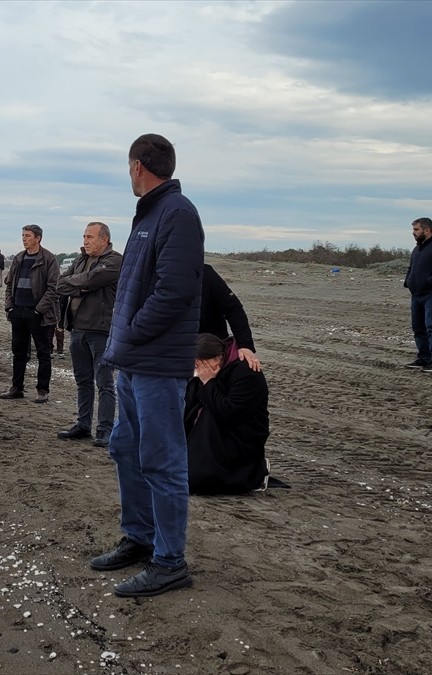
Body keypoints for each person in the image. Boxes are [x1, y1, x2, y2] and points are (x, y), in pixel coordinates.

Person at [93, 133, 202, 598]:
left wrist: (133, 330)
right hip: (133, 362)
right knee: (125, 449)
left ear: (139, 165)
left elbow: (174, 291)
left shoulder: (178, 213)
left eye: (128, 166)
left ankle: (170, 560)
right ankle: (139, 537)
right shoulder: (148, 215)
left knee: (162, 462)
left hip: (157, 362)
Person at [56, 223, 122, 448]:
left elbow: (90, 280)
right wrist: (82, 285)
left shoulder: (114, 260)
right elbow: (60, 283)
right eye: (84, 236)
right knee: (82, 380)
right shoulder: (80, 259)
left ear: (104, 239)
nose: (85, 241)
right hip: (77, 329)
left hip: (101, 331)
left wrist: (81, 283)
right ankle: (83, 425)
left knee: (104, 382)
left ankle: (105, 430)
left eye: (90, 237)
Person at [185, 334, 269, 494]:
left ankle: (253, 473)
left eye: (203, 363)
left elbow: (229, 412)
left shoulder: (246, 372)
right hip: (215, 432)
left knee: (195, 479)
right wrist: (198, 380)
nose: (200, 368)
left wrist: (208, 382)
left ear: (219, 357)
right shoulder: (206, 371)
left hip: (239, 437)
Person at [1, 224, 60, 404]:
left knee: (43, 352)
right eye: (23, 235)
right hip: (18, 312)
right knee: (18, 352)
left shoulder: (49, 259)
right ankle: (16, 388)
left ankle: (43, 390)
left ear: (38, 238)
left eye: (27, 235)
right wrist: (10, 307)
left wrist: (38, 310)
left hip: (39, 315)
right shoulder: (19, 258)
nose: (24, 238)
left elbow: (53, 288)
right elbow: (9, 284)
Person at [403, 217, 432, 372]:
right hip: (417, 294)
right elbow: (412, 267)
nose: (413, 233)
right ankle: (424, 358)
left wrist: (430, 281)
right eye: (414, 230)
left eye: (416, 229)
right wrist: (408, 281)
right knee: (418, 327)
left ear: (427, 229)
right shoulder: (417, 248)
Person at [201, 264, 261, 371]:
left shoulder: (205, 273)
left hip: (212, 348)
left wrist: (245, 345)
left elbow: (233, 308)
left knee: (248, 368)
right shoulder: (163, 275)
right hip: (175, 352)